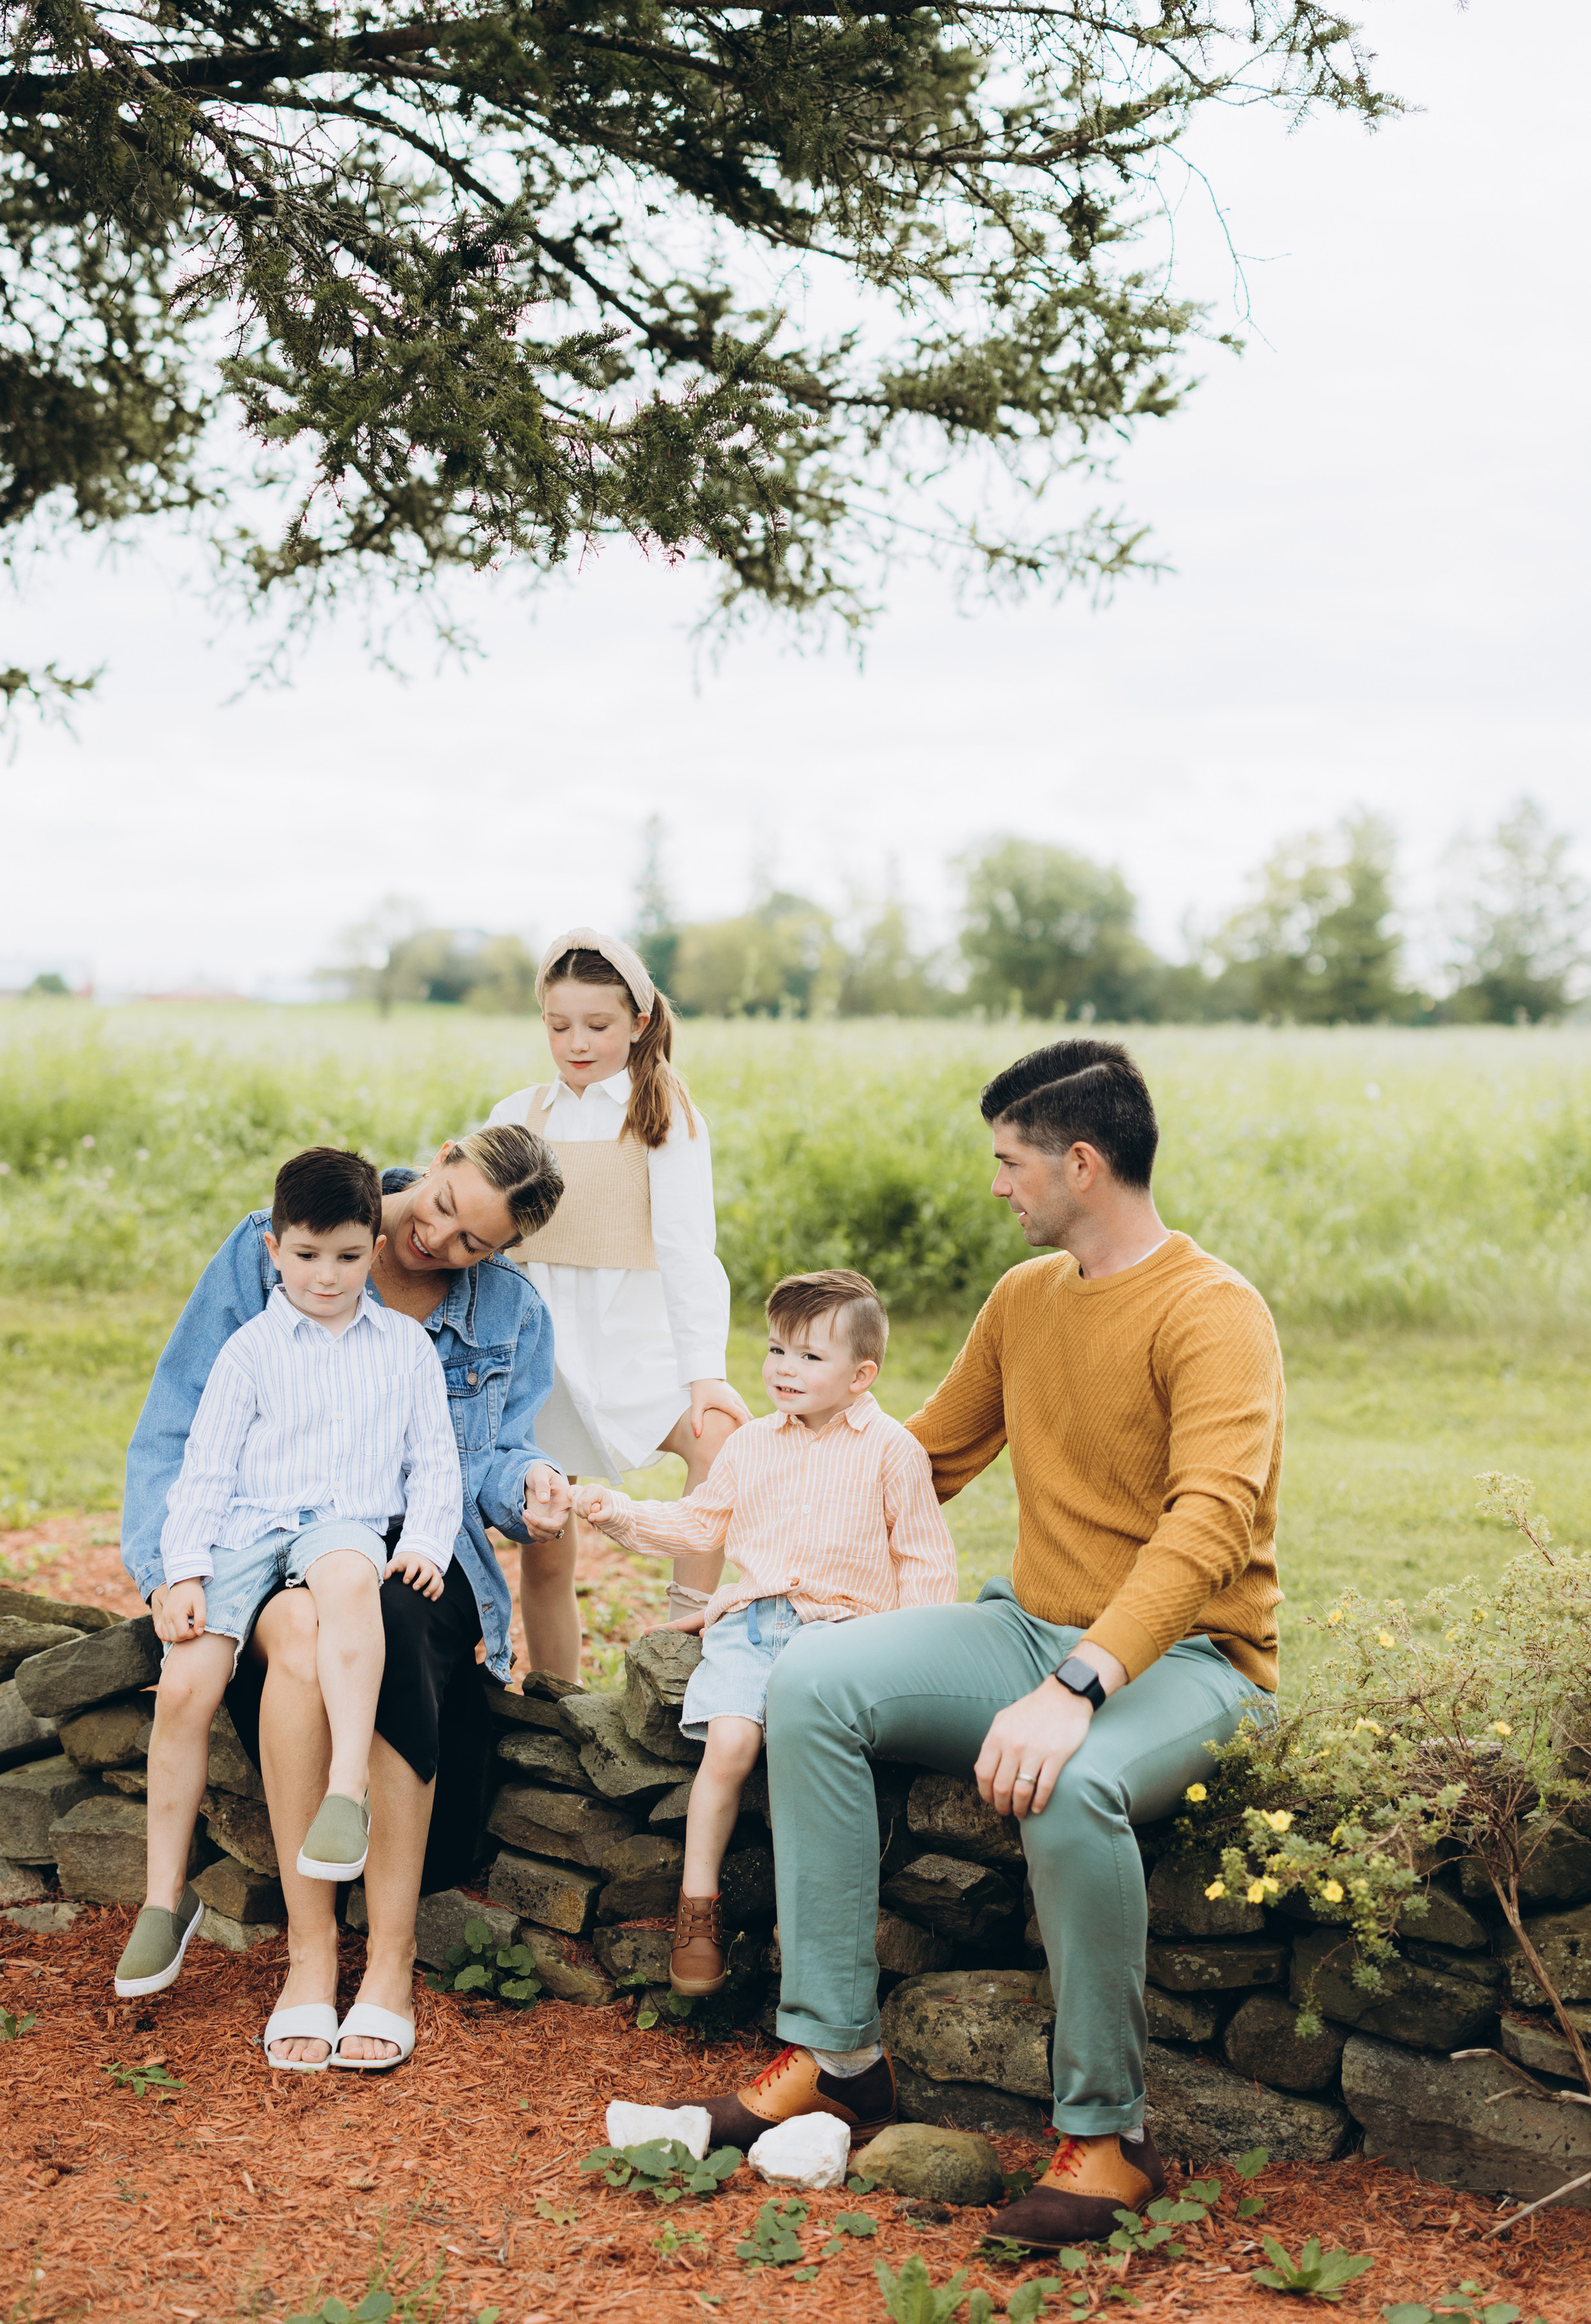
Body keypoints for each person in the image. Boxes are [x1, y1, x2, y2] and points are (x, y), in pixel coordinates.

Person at [688, 1040, 1284, 2246]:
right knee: (809, 1683)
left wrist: (1078, 1684)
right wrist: (772, 1500)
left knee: (1071, 1787)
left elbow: (1210, 1525)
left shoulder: (1212, 1312)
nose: (998, 1187)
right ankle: (837, 2057)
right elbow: (916, 1463)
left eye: (1010, 1165)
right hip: (1024, 1628)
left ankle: (1109, 2142)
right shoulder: (1024, 1301)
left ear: (1079, 1163)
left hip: (1190, 1663)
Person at [120, 1124, 574, 2071]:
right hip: (265, 1533)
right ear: (441, 1159)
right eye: (444, 1209)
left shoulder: (510, 1315)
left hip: (412, 1543)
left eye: (472, 1244)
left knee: (393, 1618)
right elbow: (179, 1425)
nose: (439, 1244)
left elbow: (485, 1460)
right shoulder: (287, 1240)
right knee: (293, 1636)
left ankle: (392, 1960)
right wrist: (173, 1569)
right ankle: (311, 1950)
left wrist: (528, 1483)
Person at [114, 1146, 464, 2012]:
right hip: (243, 1531)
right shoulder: (248, 1350)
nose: (327, 1275)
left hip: (340, 1520)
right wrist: (183, 1570)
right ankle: (166, 1898)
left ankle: (345, 1792)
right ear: (273, 1249)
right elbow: (203, 1469)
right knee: (186, 1685)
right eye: (306, 1256)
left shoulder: (404, 1347)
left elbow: (436, 1464)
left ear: (372, 1251)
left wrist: (424, 1539)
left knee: (351, 1580)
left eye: (348, 1257)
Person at [574, 1267, 956, 1995]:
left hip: (843, 1634)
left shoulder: (892, 1451)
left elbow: (924, 1561)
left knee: (804, 1759)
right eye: (778, 1349)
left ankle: (806, 1918)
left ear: (861, 1374)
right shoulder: (750, 1444)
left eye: (811, 1356)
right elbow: (699, 1522)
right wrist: (614, 1511)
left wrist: (911, 1660)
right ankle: (697, 1906)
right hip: (754, 1625)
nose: (785, 1368)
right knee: (730, 1744)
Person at [486, 926, 750, 1678]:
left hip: (636, 1347)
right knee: (544, 1547)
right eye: (558, 1024)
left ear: (638, 1022)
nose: (576, 1042)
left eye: (597, 1026)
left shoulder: (663, 1115)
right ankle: (554, 1695)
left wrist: (704, 1372)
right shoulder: (517, 1112)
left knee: (720, 1439)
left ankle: (679, 1648)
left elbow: (687, 1251)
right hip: (544, 1359)